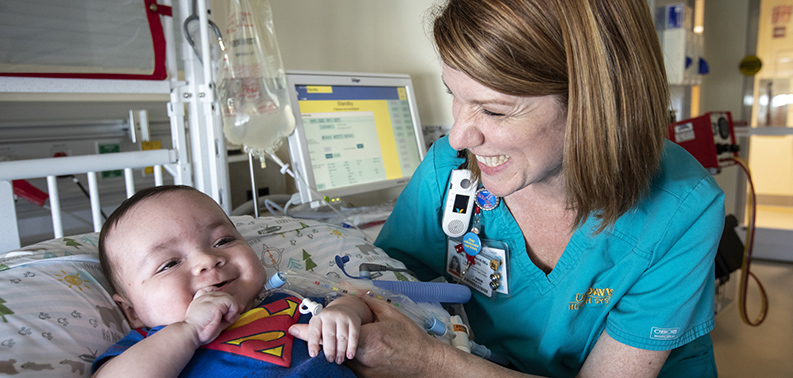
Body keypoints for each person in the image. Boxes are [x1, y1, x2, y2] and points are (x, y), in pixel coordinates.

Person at [348, 0, 725, 377]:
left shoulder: (680, 209)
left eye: (493, 110)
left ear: (592, 104)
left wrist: (433, 363)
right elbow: (378, 284)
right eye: (454, 95)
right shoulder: (448, 169)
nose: (459, 136)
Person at [92, 185, 372, 377]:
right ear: (132, 312)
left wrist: (345, 311)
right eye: (169, 263)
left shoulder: (293, 302)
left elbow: (364, 308)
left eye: (223, 241)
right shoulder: (152, 346)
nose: (207, 260)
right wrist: (189, 331)